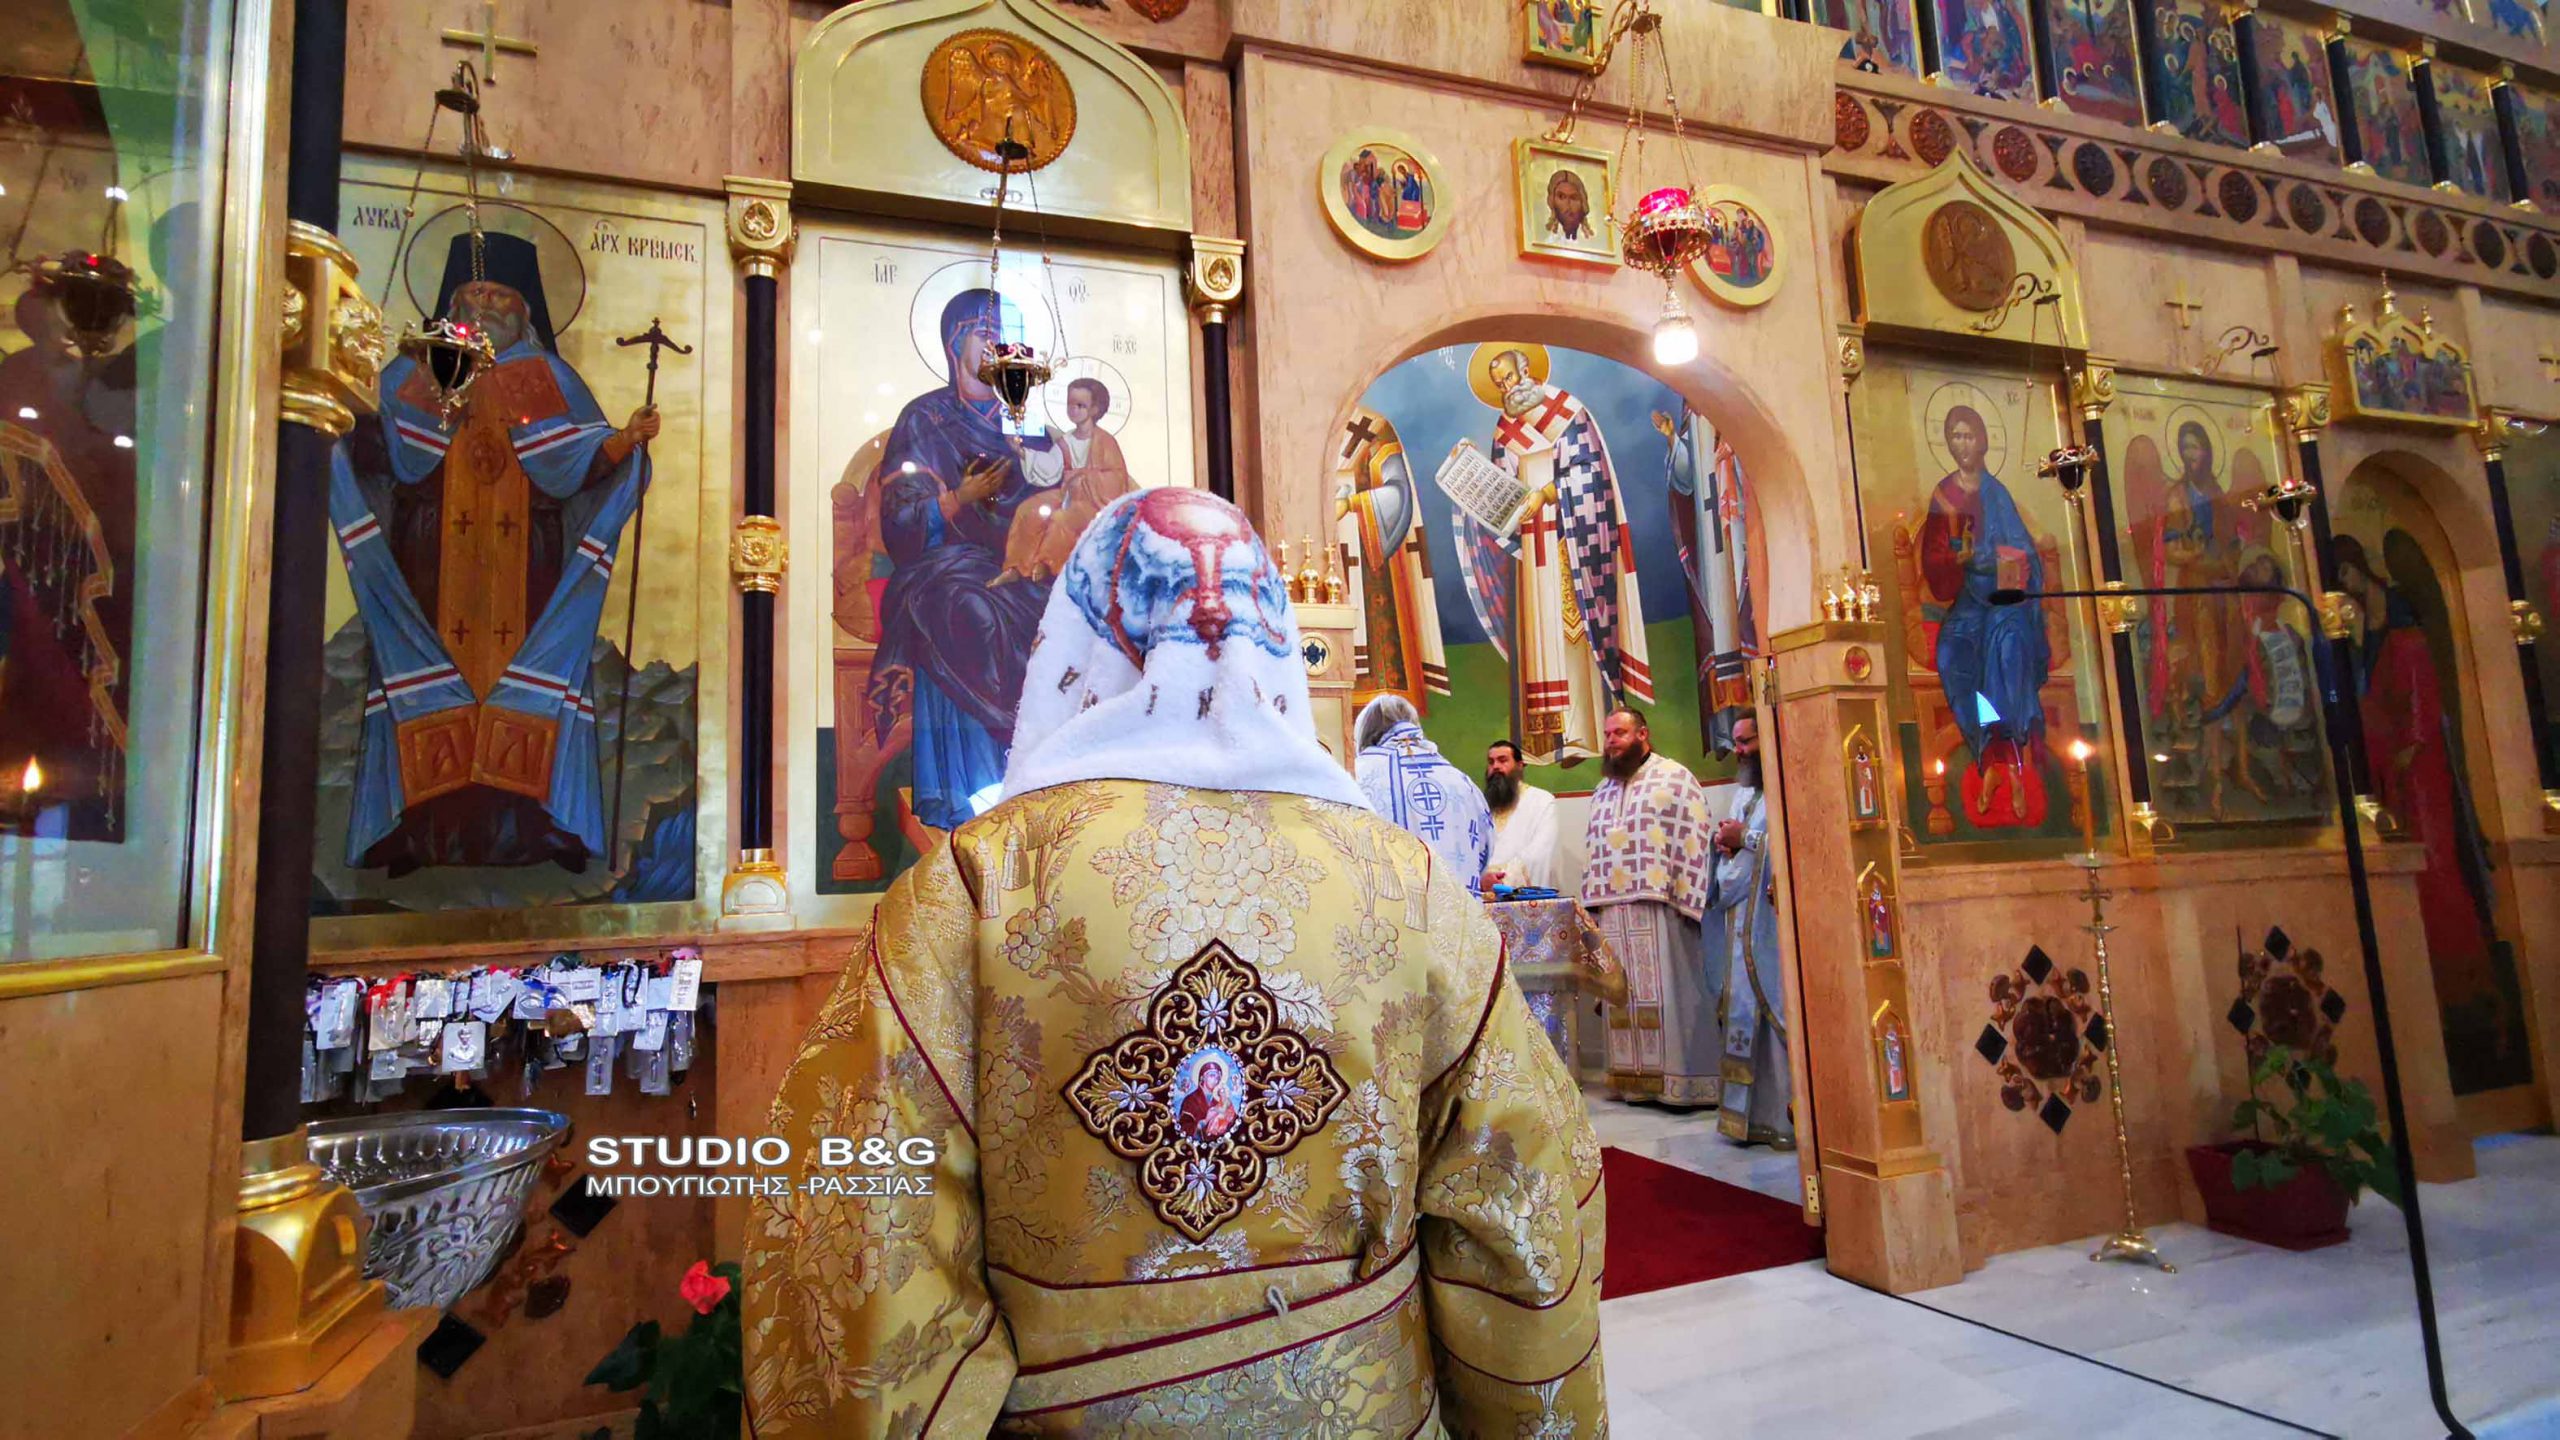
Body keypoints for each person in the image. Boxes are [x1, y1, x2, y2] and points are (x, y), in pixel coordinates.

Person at [745, 490, 1607, 1435]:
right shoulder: (1411, 886)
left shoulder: (975, 885)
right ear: (1275, 644)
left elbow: (863, 1236)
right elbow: (1520, 1208)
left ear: (1081, 645)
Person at [330, 231, 657, 875]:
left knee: (525, 681)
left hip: (528, 563)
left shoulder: (548, 377)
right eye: (473, 292)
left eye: (499, 293)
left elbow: (577, 466)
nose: (484, 305)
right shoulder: (419, 370)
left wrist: (624, 441)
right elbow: (379, 456)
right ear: (451, 301)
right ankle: (416, 828)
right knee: (429, 677)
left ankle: (539, 823)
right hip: (432, 558)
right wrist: (355, 404)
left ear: (525, 307)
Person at [868, 288, 1054, 833]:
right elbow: (901, 525)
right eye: (985, 334)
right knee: (971, 610)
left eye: (1006, 338)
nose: (997, 347)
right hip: (940, 568)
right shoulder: (925, 418)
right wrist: (957, 499)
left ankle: (1046, 781)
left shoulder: (1025, 425)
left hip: (1017, 566)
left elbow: (1054, 503)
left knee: (1063, 612)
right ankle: (973, 786)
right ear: (955, 344)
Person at [1453, 345, 1653, 766]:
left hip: (1573, 542)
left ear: (1528, 369)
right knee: (1539, 635)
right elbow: (1501, 494)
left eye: (1510, 376)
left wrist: (1546, 493)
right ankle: (1548, 740)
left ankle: (1587, 733)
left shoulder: (1567, 411)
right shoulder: (1505, 428)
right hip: (1531, 552)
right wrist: (1470, 469)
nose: (1507, 387)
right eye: (1499, 383)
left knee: (1578, 633)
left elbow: (1591, 472)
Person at [1582, 705, 1721, 1106]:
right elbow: (1595, 847)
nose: (1611, 742)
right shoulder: (1604, 789)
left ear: (1642, 734)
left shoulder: (1674, 777)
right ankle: (1632, 1084)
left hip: (1662, 906)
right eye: (1608, 734)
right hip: (1613, 908)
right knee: (1623, 996)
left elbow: (1694, 834)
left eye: (1620, 733)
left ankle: (1680, 1086)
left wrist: (1688, 895)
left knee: (1669, 998)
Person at [1919, 402, 2049, 824]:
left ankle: (2008, 759)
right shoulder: (1943, 495)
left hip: (2005, 599)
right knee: (1952, 652)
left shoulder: (1998, 494)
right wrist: (1957, 560)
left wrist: (2000, 560)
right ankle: (1993, 755)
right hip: (1969, 599)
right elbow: (1933, 560)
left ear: (1983, 441)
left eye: (1968, 435)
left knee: (2007, 646)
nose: (1962, 444)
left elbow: (2026, 552)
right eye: (1954, 436)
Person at [1708, 714, 1790, 1146]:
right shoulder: (1743, 793)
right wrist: (1723, 842)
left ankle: (1785, 1121)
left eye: (1747, 741)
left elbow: (1795, 845)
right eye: (1736, 743)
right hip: (1741, 915)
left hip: (1773, 923)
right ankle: (1749, 1119)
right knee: (1744, 1010)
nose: (1740, 751)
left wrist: (1746, 840)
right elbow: (1736, 844)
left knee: (1776, 1010)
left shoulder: (1789, 783)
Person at [998, 375, 1135, 586]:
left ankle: (1046, 563)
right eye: (1070, 404)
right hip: (1067, 494)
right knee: (1029, 509)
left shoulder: (1106, 442)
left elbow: (1116, 479)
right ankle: (1016, 566)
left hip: (1094, 503)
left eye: (1080, 405)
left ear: (1095, 409)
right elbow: (1050, 466)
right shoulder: (1066, 441)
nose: (1073, 409)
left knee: (1062, 519)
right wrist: (1022, 452)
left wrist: (1085, 476)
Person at [1354, 692, 1494, 889]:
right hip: (1456, 903)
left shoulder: (1359, 774)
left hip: (1390, 900)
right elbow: (1484, 844)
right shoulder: (1458, 778)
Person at [1482, 738, 1559, 889]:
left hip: (1520, 893)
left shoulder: (1542, 801)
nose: (1495, 766)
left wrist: (1503, 881)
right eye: (1491, 762)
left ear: (1519, 765)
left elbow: (1540, 851)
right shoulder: (1482, 805)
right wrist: (1481, 879)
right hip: (1482, 892)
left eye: (1503, 760)